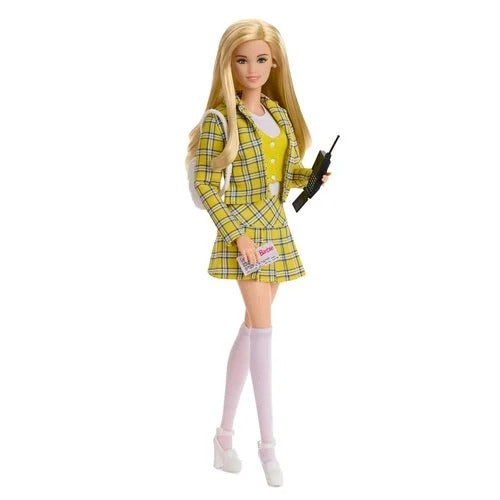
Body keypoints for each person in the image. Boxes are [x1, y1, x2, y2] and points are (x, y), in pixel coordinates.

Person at [185, 18, 331, 487]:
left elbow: (283, 171)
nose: (253, 69)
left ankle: (223, 438)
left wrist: (310, 176)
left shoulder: (279, 115)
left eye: (262, 60)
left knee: (252, 329)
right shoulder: (220, 120)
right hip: (246, 232)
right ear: (228, 64)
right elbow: (207, 185)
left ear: (275, 63)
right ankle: (267, 447)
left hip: (276, 228)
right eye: (243, 60)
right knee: (264, 330)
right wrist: (236, 235)